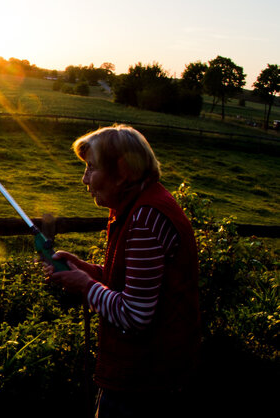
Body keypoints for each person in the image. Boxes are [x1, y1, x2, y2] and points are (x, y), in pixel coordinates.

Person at [43, 125, 200, 417]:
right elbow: (135, 283)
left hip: (144, 385)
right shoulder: (142, 206)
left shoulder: (145, 218)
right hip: (152, 375)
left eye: (91, 168)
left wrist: (85, 285)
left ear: (123, 171)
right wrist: (86, 270)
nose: (84, 179)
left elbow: (135, 314)